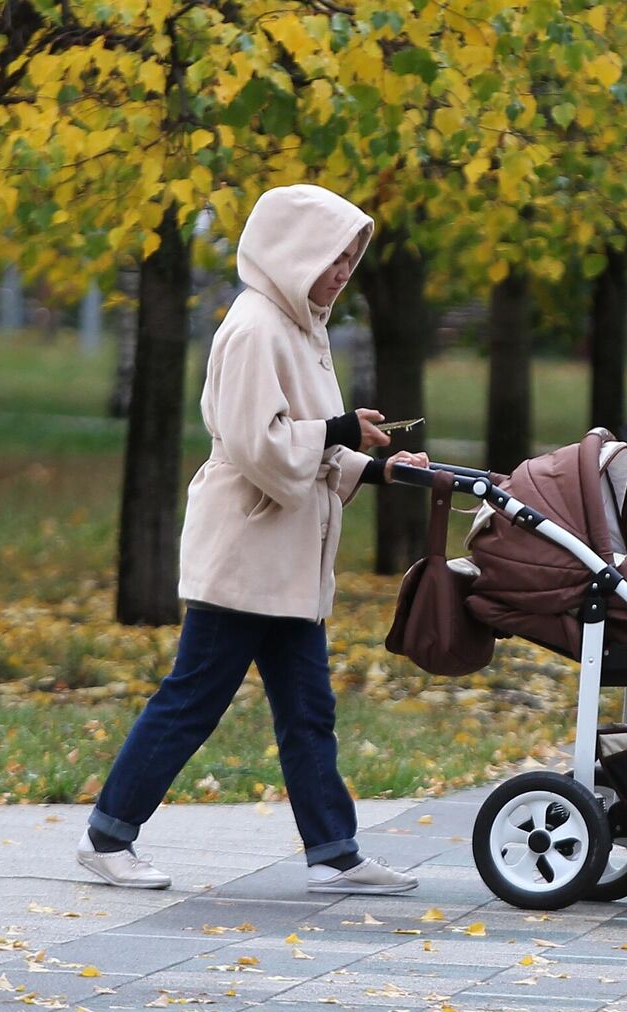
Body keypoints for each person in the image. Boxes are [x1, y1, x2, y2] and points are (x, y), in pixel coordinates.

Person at [77, 185, 429, 893]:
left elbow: (308, 443)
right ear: (295, 253)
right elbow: (256, 443)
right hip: (246, 554)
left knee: (307, 711)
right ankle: (107, 839)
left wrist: (381, 469)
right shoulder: (255, 328)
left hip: (286, 563)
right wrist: (337, 431)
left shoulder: (302, 328)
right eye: (333, 257)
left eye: (351, 259)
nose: (342, 272)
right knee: (193, 701)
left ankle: (335, 850)